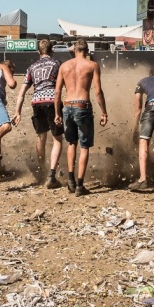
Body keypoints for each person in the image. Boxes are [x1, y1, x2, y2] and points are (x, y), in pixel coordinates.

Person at [53, 39, 108, 197]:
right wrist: (104, 112)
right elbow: (98, 92)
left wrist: (57, 113)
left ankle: (70, 180)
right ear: (87, 50)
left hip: (68, 105)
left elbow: (57, 93)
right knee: (84, 146)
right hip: (82, 106)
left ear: (74, 50)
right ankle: (79, 185)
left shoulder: (64, 66)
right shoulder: (92, 65)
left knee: (72, 143)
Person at [13, 39, 65, 188]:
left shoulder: (31, 67)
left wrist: (17, 112)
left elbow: (22, 92)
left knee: (41, 136)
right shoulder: (57, 64)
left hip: (36, 101)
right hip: (52, 100)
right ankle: (51, 175)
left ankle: (41, 168)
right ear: (52, 50)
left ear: (38, 52)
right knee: (57, 139)